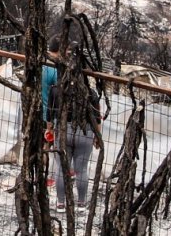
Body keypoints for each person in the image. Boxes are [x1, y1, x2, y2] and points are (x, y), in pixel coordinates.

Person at [42, 35, 99, 212]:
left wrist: (49, 130)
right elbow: (97, 118)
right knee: (81, 169)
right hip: (85, 132)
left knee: (60, 168)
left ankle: (60, 203)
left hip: (63, 130)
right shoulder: (91, 93)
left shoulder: (56, 90)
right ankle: (81, 203)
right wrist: (97, 136)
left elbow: (50, 115)